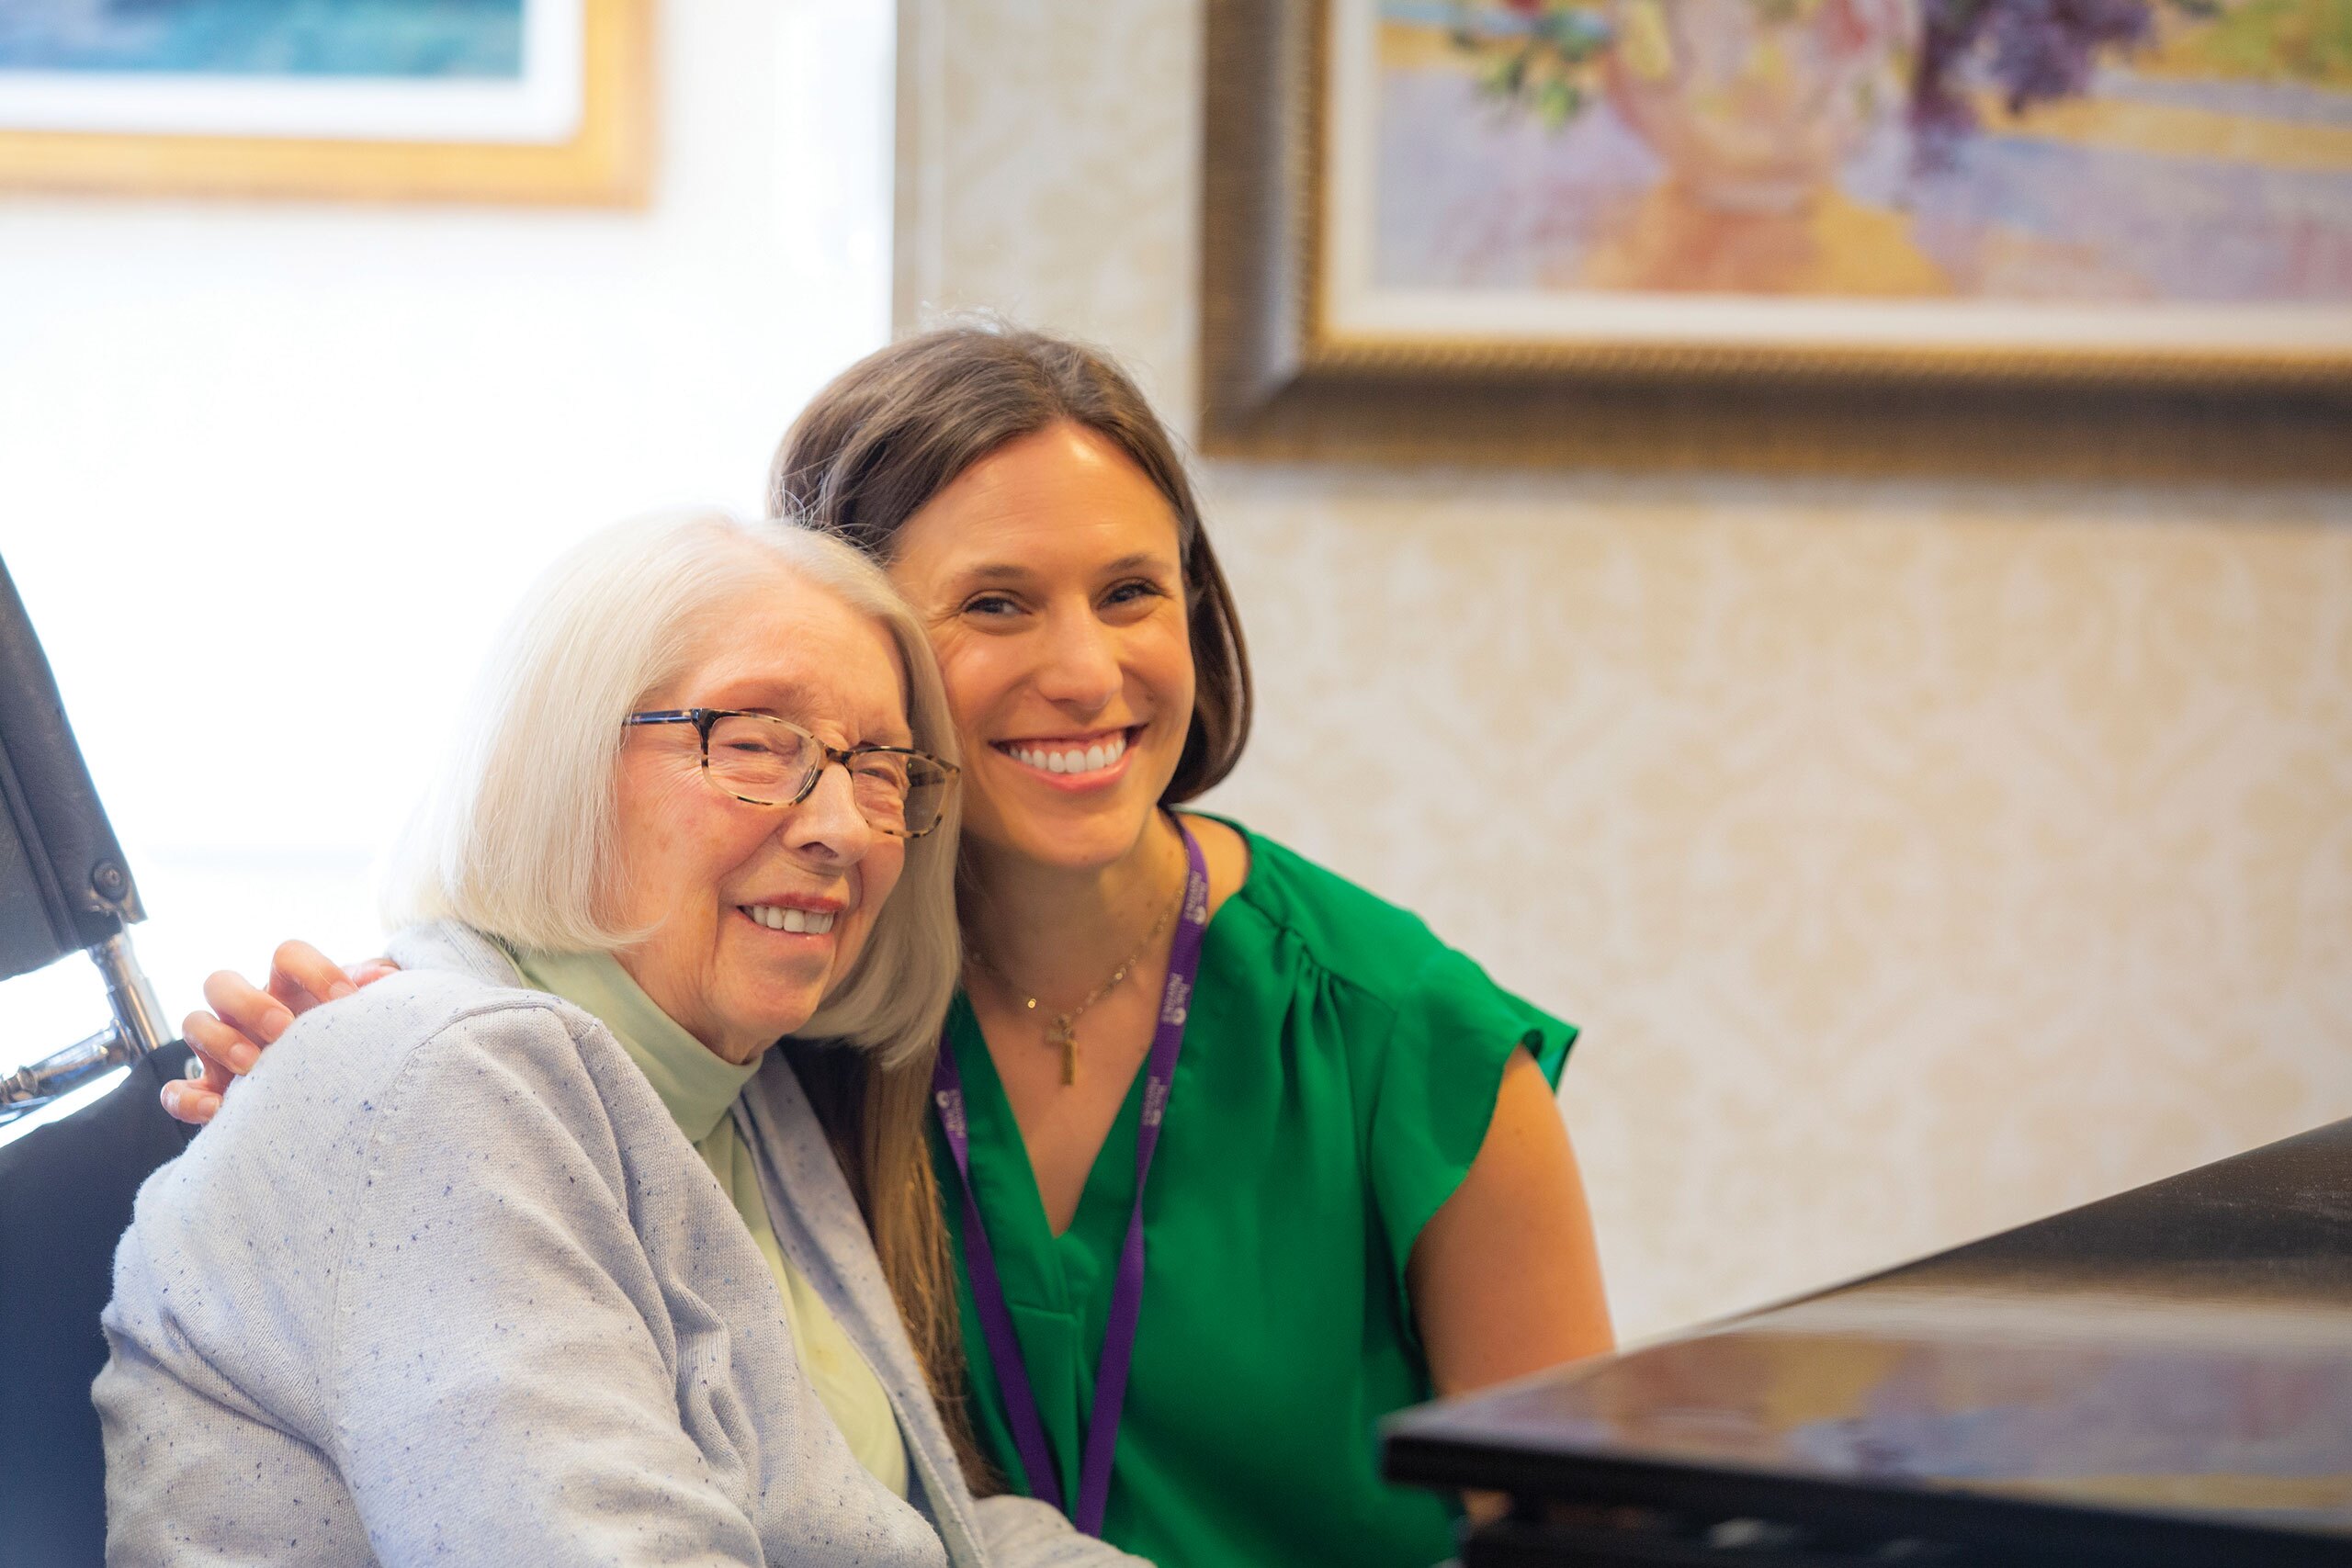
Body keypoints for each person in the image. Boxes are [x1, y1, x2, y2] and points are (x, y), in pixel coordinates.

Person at [171, 326, 1615, 1568]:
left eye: (1132, 590)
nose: (1086, 669)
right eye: (996, 602)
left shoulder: (1395, 1033)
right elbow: (491, 1076)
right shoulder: (777, 1011)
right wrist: (331, 1076)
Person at [101, 512, 1140, 1567]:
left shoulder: (740, 1089)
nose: (842, 827)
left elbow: (919, 1522)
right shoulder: (435, 1076)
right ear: (560, 763)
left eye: (878, 767)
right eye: (753, 743)